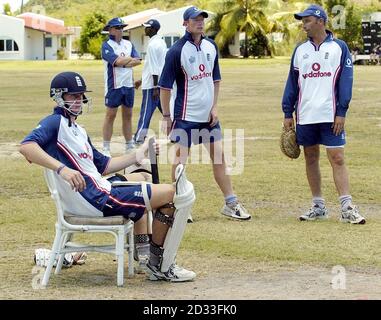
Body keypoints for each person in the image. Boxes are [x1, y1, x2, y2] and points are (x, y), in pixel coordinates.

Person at [19, 71, 196, 281]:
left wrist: (139, 154)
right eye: (73, 96)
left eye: (80, 95)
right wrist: (62, 169)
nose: (79, 101)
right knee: (171, 193)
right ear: (58, 96)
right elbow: (26, 147)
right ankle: (161, 265)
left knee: (141, 176)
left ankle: (143, 251)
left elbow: (105, 165)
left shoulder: (77, 129)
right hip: (97, 197)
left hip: (98, 189)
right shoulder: (54, 122)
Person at [159, 6, 251, 221]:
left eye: (202, 19)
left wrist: (214, 107)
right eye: (195, 19)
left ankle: (231, 203)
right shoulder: (176, 51)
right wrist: (166, 116)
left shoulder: (211, 46)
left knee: (219, 158)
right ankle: (180, 205)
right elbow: (164, 87)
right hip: (185, 116)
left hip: (208, 118)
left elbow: (215, 80)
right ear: (185, 23)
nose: (199, 22)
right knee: (180, 162)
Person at [281, 4, 366, 224]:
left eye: (307, 20)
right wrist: (287, 112)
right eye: (302, 21)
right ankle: (318, 206)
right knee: (310, 158)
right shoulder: (300, 50)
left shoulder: (340, 47)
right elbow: (292, 83)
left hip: (331, 115)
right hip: (306, 115)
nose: (304, 25)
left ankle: (347, 207)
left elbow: (346, 82)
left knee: (337, 158)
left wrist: (342, 112)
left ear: (320, 21)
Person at [101, 17, 141, 156]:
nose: (120, 30)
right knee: (110, 115)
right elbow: (116, 61)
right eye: (117, 27)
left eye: (121, 27)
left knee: (128, 115)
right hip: (114, 85)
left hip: (128, 85)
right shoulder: (107, 45)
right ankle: (106, 147)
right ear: (110, 30)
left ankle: (129, 145)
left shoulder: (128, 44)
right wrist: (127, 60)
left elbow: (138, 61)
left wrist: (124, 61)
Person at [134, 19, 167, 145]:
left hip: (152, 86)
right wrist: (141, 81)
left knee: (146, 112)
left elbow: (154, 68)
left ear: (153, 29)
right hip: (158, 83)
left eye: (147, 27)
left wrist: (154, 87)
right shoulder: (161, 43)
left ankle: (139, 137)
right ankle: (177, 133)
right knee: (166, 112)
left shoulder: (153, 45)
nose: (145, 29)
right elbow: (158, 66)